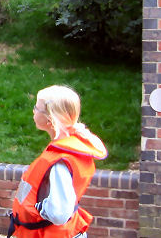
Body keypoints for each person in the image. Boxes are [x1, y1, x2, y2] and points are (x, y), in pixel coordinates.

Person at [7, 85, 107, 238]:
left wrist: (40, 208)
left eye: (37, 108)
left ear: (50, 119)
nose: (33, 110)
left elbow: (59, 213)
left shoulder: (61, 161)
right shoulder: (70, 148)